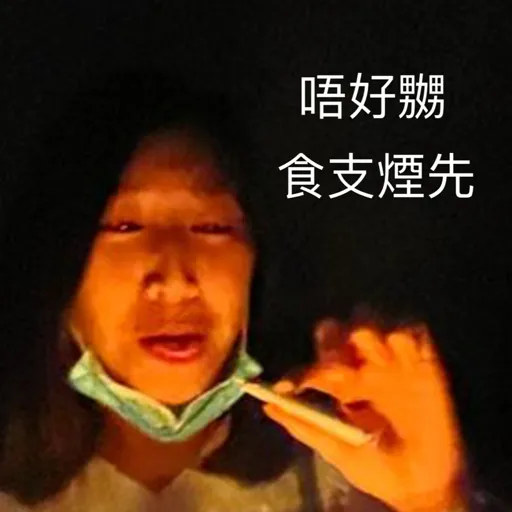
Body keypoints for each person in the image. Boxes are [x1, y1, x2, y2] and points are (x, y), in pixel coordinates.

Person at [0, 69, 474, 511]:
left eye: (211, 227)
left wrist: (433, 497)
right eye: (126, 226)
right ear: (58, 268)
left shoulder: (352, 471)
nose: (175, 282)